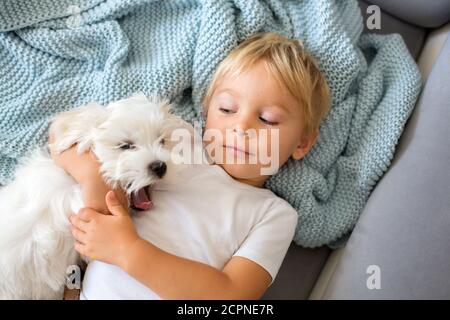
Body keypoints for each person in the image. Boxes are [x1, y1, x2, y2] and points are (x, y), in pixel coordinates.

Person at [51, 32, 330, 299]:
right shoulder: (177, 142)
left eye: (268, 119)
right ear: (206, 112)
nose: (241, 126)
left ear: (302, 143)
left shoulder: (274, 214)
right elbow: (61, 137)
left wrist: (128, 249)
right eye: (227, 109)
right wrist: (93, 177)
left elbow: (232, 295)